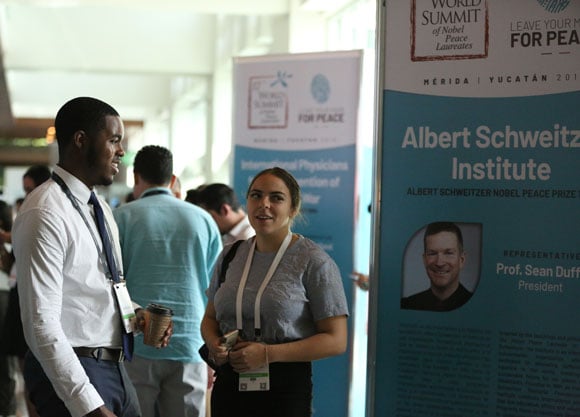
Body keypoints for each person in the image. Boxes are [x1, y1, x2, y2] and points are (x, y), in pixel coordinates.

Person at [11, 96, 172, 417]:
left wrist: (135, 316)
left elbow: (102, 286)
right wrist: (86, 404)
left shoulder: (96, 207)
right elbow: (41, 324)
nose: (122, 151)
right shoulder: (46, 211)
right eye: (113, 140)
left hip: (114, 366)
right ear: (81, 140)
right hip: (76, 369)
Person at [200, 167, 349, 417]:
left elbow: (336, 340)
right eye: (256, 196)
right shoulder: (231, 255)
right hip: (229, 382)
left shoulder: (314, 261)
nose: (264, 204)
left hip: (283, 388)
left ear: (293, 208)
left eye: (276, 198)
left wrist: (268, 354)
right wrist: (214, 344)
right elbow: (210, 319)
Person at [113, 145, 222, 417]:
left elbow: (109, 283)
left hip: (136, 343)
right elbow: (218, 289)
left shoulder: (121, 218)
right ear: (173, 179)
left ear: (136, 177)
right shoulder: (204, 220)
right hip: (192, 343)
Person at [2, 165, 51, 417]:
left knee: (38, 374)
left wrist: (6, 236)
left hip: (34, 300)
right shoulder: (28, 212)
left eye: (29, 189)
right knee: (26, 368)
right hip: (18, 294)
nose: (26, 195)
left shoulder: (43, 213)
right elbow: (13, 264)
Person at [400, 221, 472, 312]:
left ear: (461, 260)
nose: (439, 263)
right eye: (432, 253)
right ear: (424, 260)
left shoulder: (478, 305)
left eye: (448, 253)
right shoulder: (407, 305)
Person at [0, 199, 16, 417]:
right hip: (5, 293)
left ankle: (8, 409)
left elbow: (8, 268)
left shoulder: (9, 244)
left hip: (4, 293)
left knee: (4, 361)